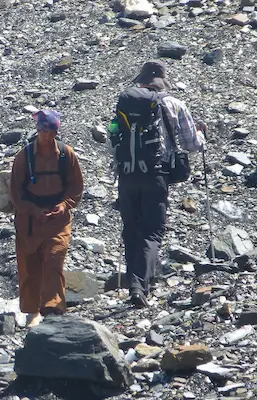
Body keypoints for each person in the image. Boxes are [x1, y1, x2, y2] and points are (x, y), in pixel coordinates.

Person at [110, 60, 205, 308]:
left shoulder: (125, 104)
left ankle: (134, 282)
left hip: (127, 175)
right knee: (152, 230)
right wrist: (202, 134)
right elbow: (193, 144)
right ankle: (140, 286)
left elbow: (112, 141)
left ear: (141, 81)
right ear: (163, 81)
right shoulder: (174, 104)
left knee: (131, 229)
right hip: (156, 175)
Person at [9, 110, 84, 327]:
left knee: (54, 259)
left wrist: (64, 206)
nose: (45, 135)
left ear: (55, 131)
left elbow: (76, 187)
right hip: (30, 221)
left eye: (49, 130)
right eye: (42, 130)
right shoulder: (24, 157)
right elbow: (16, 192)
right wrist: (32, 210)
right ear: (37, 130)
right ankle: (32, 312)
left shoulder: (66, 154)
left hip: (57, 221)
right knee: (29, 265)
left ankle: (52, 310)